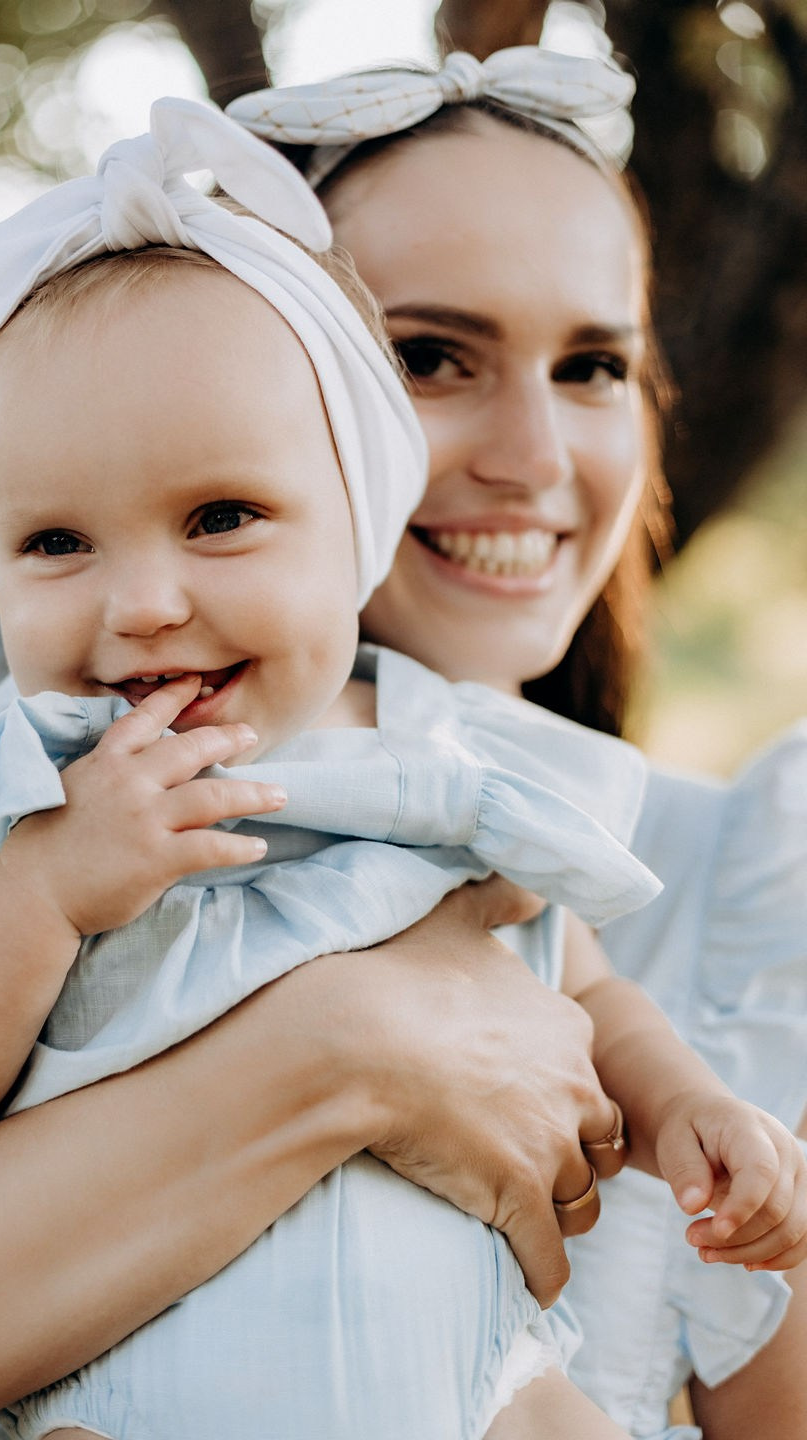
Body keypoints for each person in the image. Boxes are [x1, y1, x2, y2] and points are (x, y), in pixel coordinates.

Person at [0, 92, 803, 1440]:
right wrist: (59, 900)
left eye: (593, 363)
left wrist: (693, 1105)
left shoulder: (490, 788)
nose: (143, 603)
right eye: (431, 353)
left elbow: (594, 991)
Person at [229, 42, 807, 1440]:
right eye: (431, 356)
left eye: (594, 364)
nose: (536, 455)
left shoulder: (741, 886)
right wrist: (325, 1059)